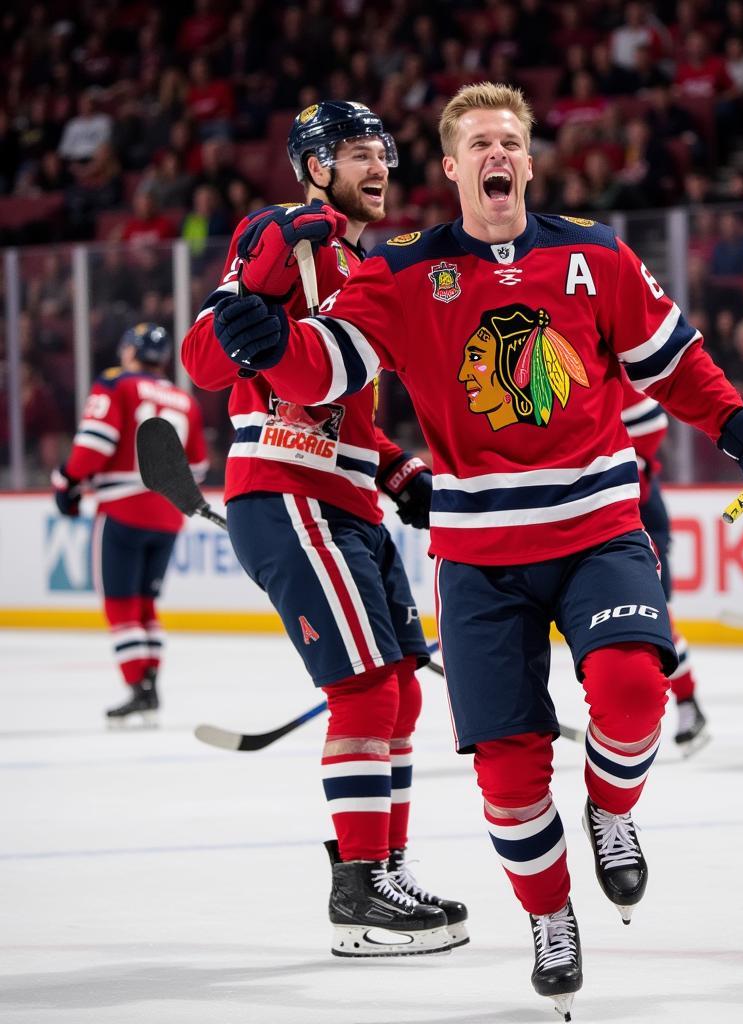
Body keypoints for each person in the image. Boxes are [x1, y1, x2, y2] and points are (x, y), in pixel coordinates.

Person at [205, 83, 743, 1017]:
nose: (498, 154)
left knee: (631, 688)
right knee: (510, 771)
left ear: (528, 162)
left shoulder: (595, 253)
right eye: (478, 143)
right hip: (481, 557)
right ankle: (548, 915)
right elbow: (327, 366)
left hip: (596, 528)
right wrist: (267, 342)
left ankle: (611, 812)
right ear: (452, 168)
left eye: (511, 141)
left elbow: (675, 361)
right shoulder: (402, 269)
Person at [180, 101, 466, 958]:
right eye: (353, 152)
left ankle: (386, 867)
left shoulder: (359, 264)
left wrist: (396, 466)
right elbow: (201, 358)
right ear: (313, 166)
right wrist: (245, 319)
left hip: (347, 499)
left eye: (382, 151)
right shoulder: (281, 234)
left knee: (403, 693)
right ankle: (358, 898)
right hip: (287, 492)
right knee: (367, 694)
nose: (376, 165)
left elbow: (345, 408)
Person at [51, 324, 207, 726]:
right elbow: (200, 467)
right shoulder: (183, 400)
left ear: (129, 352)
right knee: (146, 603)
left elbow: (95, 444)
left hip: (122, 510)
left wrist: (67, 480)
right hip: (169, 516)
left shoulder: (116, 385)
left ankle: (138, 688)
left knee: (121, 603)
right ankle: (150, 685)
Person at [619, 372, 709, 756]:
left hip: (637, 518)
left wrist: (624, 457)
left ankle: (688, 703)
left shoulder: (603, 365)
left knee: (655, 619)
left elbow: (651, 422)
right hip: (619, 513)